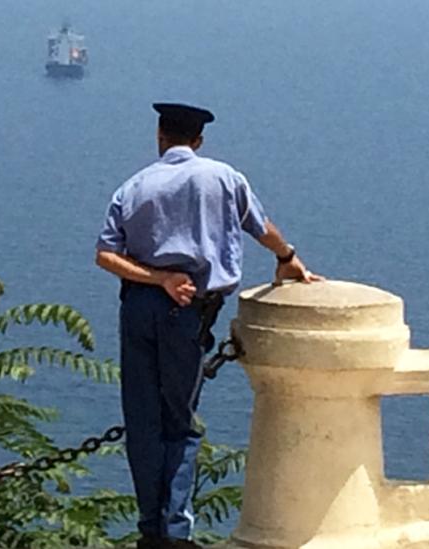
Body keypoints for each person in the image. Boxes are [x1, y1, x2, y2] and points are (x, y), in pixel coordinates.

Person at [95, 103, 322, 549]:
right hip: (187, 309)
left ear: (160, 136)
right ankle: (176, 533)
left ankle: (150, 530)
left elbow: (105, 255)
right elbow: (261, 228)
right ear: (198, 141)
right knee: (179, 423)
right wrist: (287, 258)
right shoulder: (223, 178)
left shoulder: (134, 187)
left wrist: (156, 277)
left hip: (138, 307)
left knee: (143, 421)